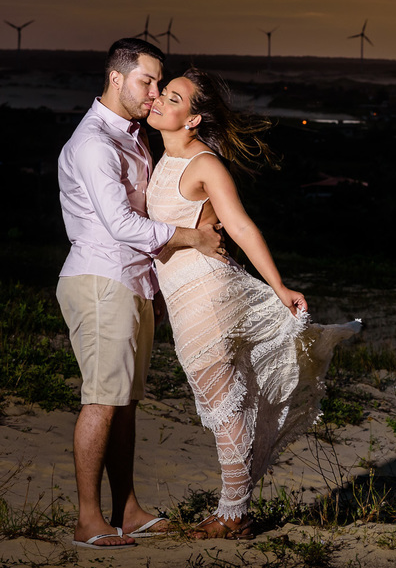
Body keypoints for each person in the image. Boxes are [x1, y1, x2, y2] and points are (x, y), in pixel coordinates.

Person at [146, 67, 361, 539]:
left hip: (207, 293)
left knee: (224, 403)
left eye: (173, 98)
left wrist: (280, 286)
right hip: (181, 296)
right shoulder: (160, 158)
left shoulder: (205, 164)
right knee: (222, 401)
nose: (159, 100)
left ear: (194, 119)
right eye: (162, 92)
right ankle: (234, 508)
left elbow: (240, 227)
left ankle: (233, 512)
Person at [57, 39, 227, 550]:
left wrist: (152, 286)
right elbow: (122, 223)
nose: (154, 93)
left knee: (124, 403)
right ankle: (89, 521)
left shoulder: (131, 135)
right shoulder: (94, 143)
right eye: (146, 82)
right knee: (101, 401)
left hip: (130, 282)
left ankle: (127, 510)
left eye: (159, 83)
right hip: (100, 279)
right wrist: (195, 237)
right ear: (116, 78)